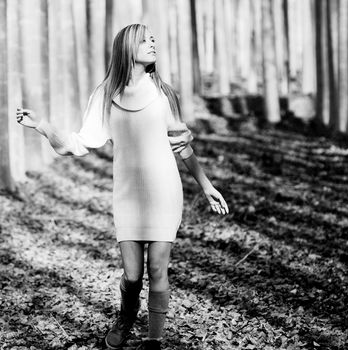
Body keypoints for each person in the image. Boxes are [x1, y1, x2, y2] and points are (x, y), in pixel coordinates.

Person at [16, 24, 229, 350]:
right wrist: (42, 125)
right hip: (128, 194)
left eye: (153, 39)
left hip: (165, 191)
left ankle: (153, 339)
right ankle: (127, 316)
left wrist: (206, 185)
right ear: (127, 47)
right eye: (145, 39)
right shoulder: (105, 95)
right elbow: (78, 143)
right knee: (132, 273)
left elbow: (181, 146)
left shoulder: (164, 93)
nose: (152, 42)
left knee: (158, 267)